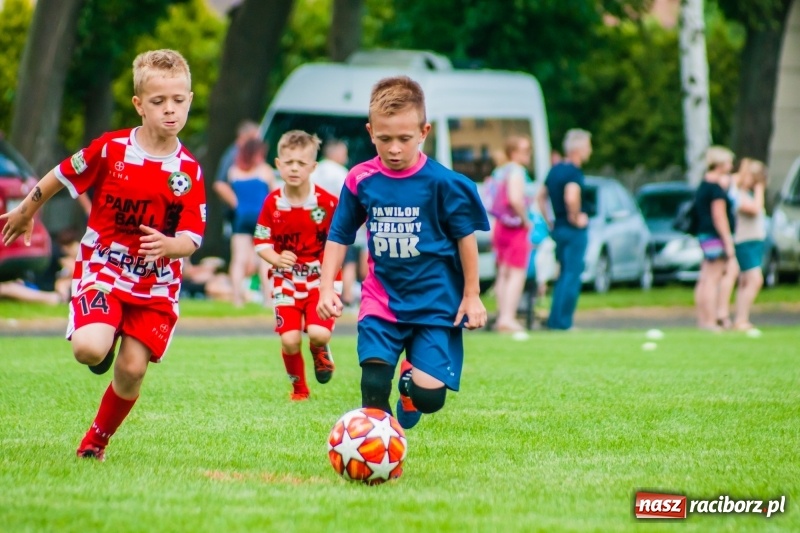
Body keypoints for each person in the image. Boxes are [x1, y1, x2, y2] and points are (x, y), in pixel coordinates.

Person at [0, 49, 205, 461]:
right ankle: (104, 333)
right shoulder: (112, 149)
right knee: (89, 350)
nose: (170, 110)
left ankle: (95, 442)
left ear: (190, 99)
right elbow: (61, 175)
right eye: (158, 101)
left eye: (178, 101)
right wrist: (26, 209)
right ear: (138, 104)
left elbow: (192, 237)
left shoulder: (188, 171)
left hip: (155, 284)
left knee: (131, 370)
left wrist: (170, 246)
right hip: (105, 269)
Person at [316, 75, 489, 430]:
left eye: (404, 139)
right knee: (374, 389)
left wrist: (472, 295)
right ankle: (381, 453)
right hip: (382, 300)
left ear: (424, 132)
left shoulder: (444, 183)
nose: (394, 148)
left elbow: (465, 239)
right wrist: (325, 287)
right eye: (385, 139)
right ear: (370, 132)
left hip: (434, 303)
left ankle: (411, 386)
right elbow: (339, 234)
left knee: (429, 399)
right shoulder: (360, 179)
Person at [253, 130, 339, 401]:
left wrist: (331, 274)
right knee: (289, 340)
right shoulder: (272, 202)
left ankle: (320, 349)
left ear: (313, 167)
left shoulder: (327, 203)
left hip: (319, 281)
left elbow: (338, 242)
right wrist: (276, 259)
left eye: (301, 163)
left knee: (318, 334)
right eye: (288, 162)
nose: (294, 168)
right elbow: (261, 242)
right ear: (278, 164)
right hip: (285, 280)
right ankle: (299, 390)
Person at [537, 129, 592, 331]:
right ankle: (563, 322)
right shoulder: (573, 172)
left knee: (562, 276)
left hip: (558, 228)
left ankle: (555, 320)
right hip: (572, 229)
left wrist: (550, 220)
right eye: (588, 146)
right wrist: (575, 217)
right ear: (579, 149)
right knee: (572, 275)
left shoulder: (555, 170)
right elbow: (571, 196)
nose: (590, 151)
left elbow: (540, 196)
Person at [213, 137, 276, 306]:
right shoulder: (264, 170)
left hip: (241, 218)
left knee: (238, 259)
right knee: (265, 258)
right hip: (262, 219)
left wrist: (237, 204)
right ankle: (268, 298)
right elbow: (274, 194)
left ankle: (237, 298)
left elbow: (227, 190)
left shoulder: (234, 171)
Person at [486, 135, 533, 333]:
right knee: (516, 273)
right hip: (515, 227)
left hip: (499, 226)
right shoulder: (517, 171)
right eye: (525, 150)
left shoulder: (499, 171)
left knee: (503, 273)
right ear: (514, 153)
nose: (528, 155)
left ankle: (501, 315)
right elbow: (515, 199)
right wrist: (526, 220)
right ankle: (508, 317)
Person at [310, 139, 363, 309]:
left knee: (320, 259)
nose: (345, 157)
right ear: (335, 153)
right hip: (338, 222)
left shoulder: (314, 170)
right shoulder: (340, 172)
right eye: (343, 153)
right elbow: (349, 198)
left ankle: (318, 295)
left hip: (316, 222)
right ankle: (347, 297)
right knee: (348, 260)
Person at [693, 146, 738, 332]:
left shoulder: (704, 184)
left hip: (704, 234)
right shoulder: (716, 189)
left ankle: (703, 320)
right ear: (719, 164)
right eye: (728, 162)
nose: (731, 165)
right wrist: (728, 242)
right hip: (714, 236)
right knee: (713, 278)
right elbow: (719, 216)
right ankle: (711, 321)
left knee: (704, 278)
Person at [732, 158, 768, 331]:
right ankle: (741, 319)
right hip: (745, 242)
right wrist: (759, 187)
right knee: (755, 280)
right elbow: (755, 209)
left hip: (754, 241)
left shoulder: (746, 193)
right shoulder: (737, 194)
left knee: (745, 281)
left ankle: (741, 319)